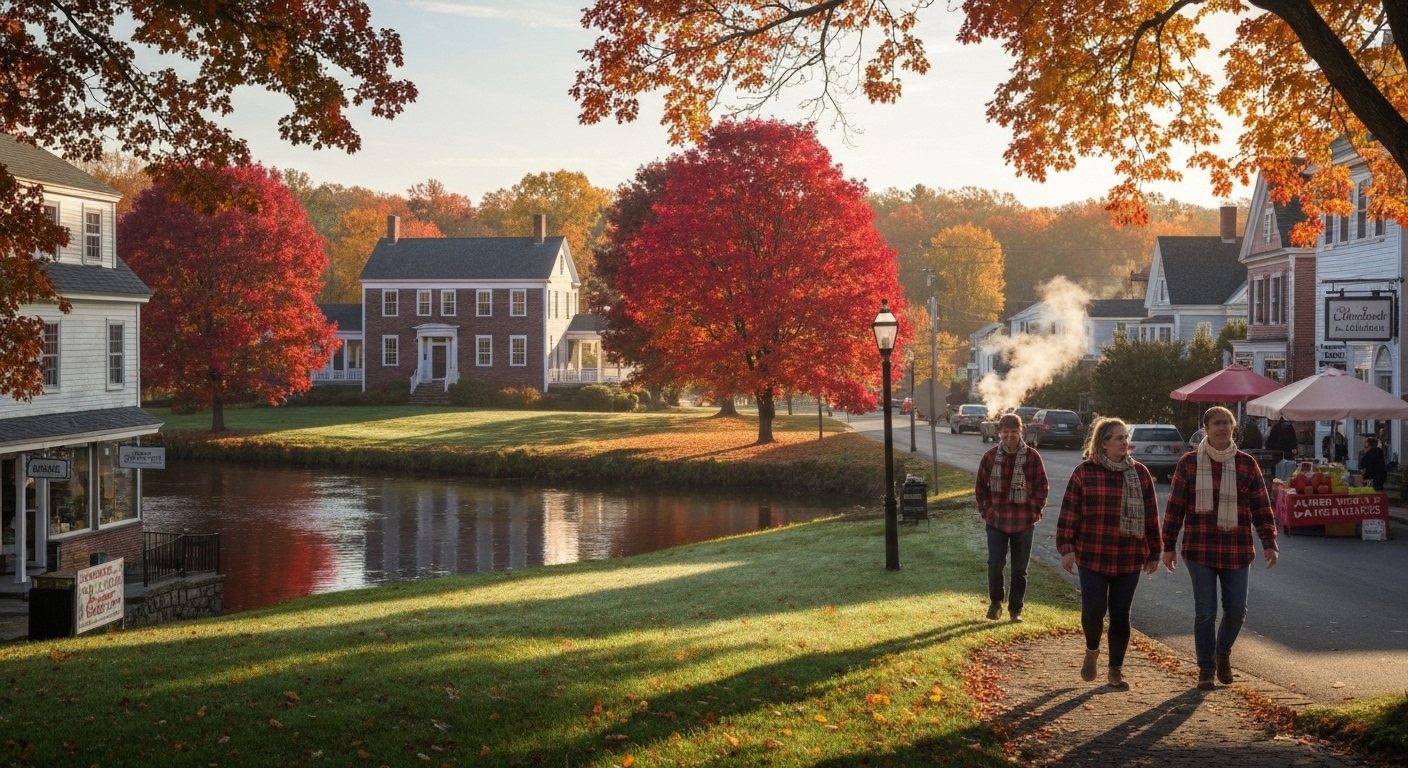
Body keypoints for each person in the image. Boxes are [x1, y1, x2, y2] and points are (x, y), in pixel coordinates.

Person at [1162, 406, 1279, 691]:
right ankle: (1206, 668)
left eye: (1227, 423)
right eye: (1217, 423)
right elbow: (1175, 507)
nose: (1222, 428)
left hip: (1236, 548)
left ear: (1233, 428)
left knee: (1237, 610)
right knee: (1205, 611)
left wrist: (1269, 542)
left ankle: (1222, 652)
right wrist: (1168, 546)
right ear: (1206, 429)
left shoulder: (1247, 464)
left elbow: (1261, 507)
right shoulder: (1188, 464)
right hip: (1199, 547)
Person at [1057, 417, 1162, 689]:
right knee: (1094, 611)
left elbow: (1151, 516)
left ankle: (1115, 669)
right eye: (1118, 438)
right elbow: (1070, 513)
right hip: (1092, 554)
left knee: (1120, 613)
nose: (1124, 442)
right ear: (1103, 443)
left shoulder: (1140, 474)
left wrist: (1154, 553)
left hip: (1129, 555)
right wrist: (1067, 549)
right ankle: (1092, 650)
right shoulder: (1084, 473)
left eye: (1126, 437)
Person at [974, 414, 1050, 624]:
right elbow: (981, 489)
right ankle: (995, 603)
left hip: (1023, 522)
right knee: (995, 563)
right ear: (999, 432)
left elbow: (1042, 487)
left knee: (1019, 569)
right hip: (996, 520)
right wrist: (986, 512)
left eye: (1013, 432)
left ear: (1021, 432)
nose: (1009, 436)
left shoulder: (1032, 457)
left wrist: (1033, 512)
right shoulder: (989, 457)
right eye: (1005, 432)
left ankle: (1015, 610)